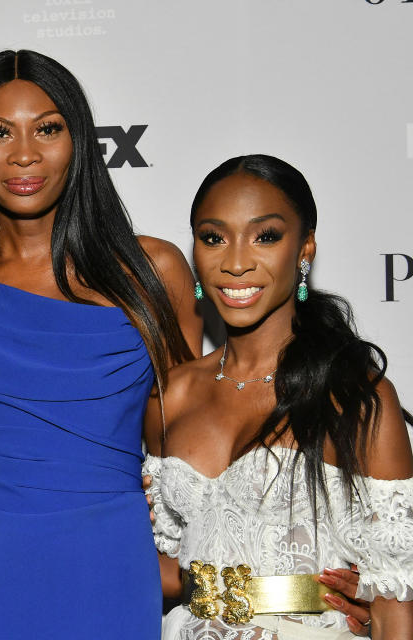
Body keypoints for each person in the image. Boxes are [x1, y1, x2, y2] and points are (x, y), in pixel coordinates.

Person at [0, 50, 202, 639]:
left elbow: (190, 445)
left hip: (109, 563)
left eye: (47, 128)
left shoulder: (151, 271)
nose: (24, 154)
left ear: (79, 141)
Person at [143, 155, 413, 639]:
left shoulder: (354, 395)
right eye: (213, 237)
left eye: (265, 236)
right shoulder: (171, 395)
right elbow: (170, 563)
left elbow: (395, 608)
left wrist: (370, 595)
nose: (236, 261)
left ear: (305, 248)